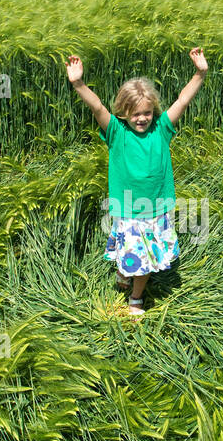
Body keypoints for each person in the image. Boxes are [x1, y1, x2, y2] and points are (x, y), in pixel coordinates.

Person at [67, 48, 208, 316]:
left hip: (156, 211)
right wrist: (78, 83)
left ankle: (136, 297)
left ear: (153, 111)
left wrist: (200, 74)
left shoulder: (162, 128)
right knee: (132, 256)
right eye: (135, 114)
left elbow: (182, 101)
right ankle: (124, 273)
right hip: (129, 209)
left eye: (146, 113)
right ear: (123, 113)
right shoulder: (116, 133)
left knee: (145, 262)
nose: (142, 119)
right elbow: (97, 107)